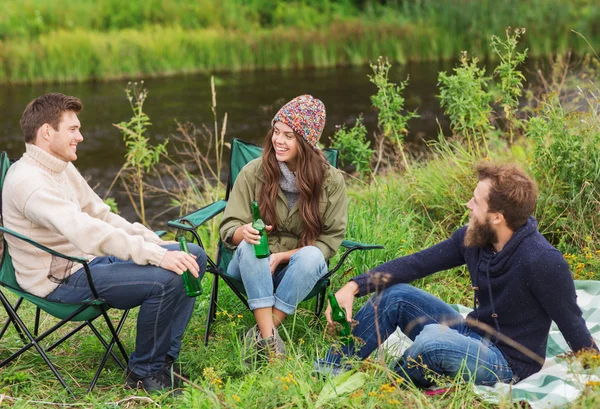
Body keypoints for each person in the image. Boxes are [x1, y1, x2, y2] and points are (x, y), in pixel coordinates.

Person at [318, 162, 598, 387]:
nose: (468, 205)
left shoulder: (543, 261)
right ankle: (327, 371)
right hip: (469, 332)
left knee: (433, 341)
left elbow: (572, 324)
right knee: (396, 296)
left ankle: (389, 386)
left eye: (476, 202)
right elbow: (417, 264)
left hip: (507, 362)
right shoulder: (473, 238)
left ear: (497, 217)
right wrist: (354, 285)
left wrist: (593, 371)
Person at [2, 93, 207, 392]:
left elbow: (100, 214)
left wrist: (151, 242)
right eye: (72, 129)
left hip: (87, 263)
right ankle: (143, 374)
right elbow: (86, 231)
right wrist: (154, 257)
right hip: (60, 280)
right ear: (47, 131)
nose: (81, 137)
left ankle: (163, 361)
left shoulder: (59, 166)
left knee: (193, 256)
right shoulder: (29, 183)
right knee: (166, 280)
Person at [219, 95, 347, 356]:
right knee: (251, 247)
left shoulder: (331, 181)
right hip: (250, 265)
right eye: (276, 131)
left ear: (305, 141)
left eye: (288, 135)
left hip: (297, 268)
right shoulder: (254, 172)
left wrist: (282, 256)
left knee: (312, 256)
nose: (278, 140)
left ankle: (262, 334)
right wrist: (242, 232)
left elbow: (329, 240)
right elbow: (229, 226)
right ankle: (270, 344)